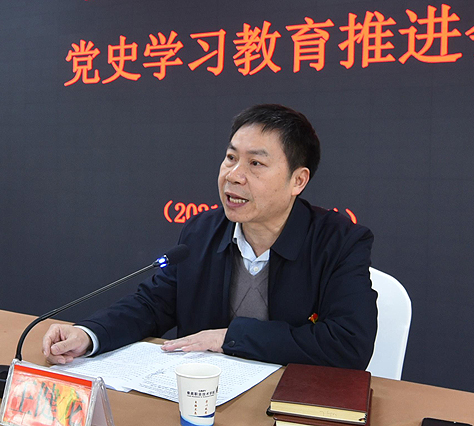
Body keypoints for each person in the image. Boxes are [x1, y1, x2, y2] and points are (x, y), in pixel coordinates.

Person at [42, 104, 377, 370]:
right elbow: (152, 305)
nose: (234, 175)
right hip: (205, 398)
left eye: (255, 164)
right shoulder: (202, 231)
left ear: (297, 181)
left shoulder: (340, 242)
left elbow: (349, 344)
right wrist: (89, 334)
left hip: (288, 404)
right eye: (231, 158)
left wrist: (229, 338)